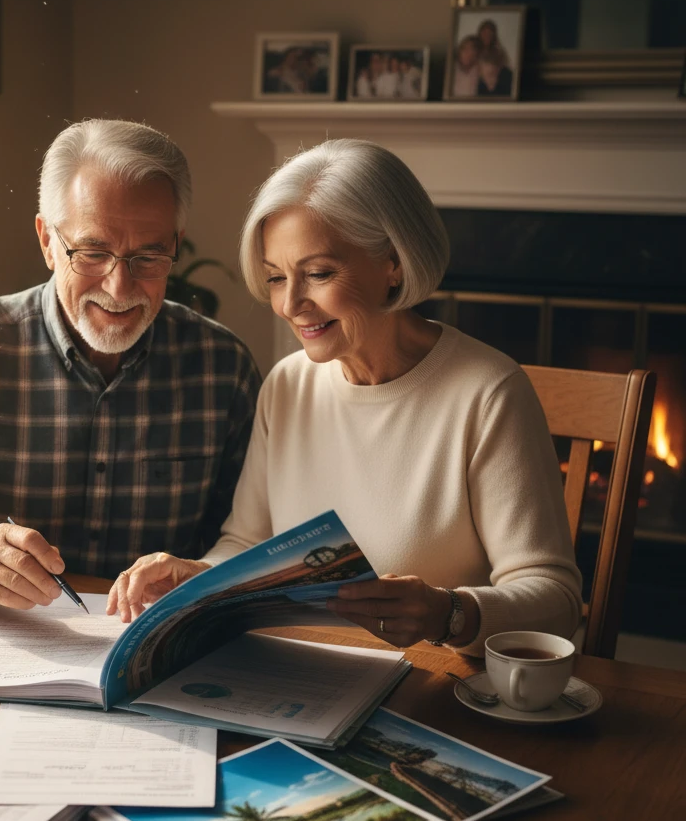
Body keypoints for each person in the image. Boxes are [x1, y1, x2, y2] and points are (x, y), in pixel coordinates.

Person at [108, 139, 582, 657]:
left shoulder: (488, 393)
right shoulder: (287, 386)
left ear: (394, 264)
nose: (291, 304)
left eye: (319, 273)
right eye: (275, 277)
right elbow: (245, 545)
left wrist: (448, 613)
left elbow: (556, 598)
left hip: (435, 691)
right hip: (302, 677)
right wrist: (196, 577)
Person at [0, 119, 262, 615]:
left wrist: (207, 577)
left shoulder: (224, 370)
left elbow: (249, 541)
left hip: (163, 652)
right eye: (92, 253)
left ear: (175, 244)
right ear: (47, 240)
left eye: (148, 257)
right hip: (0, 651)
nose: (118, 287)